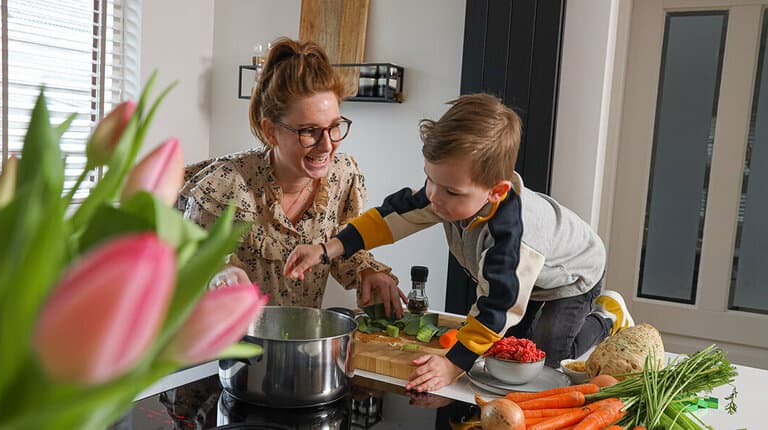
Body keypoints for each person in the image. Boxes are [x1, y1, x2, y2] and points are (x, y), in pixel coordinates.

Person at [283, 93, 634, 392]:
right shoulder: (445, 195)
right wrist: (326, 249)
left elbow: (498, 306)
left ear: (495, 192)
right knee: (506, 351)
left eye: (450, 190)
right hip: (526, 280)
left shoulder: (512, 236)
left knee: (547, 357)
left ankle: (605, 318)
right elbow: (390, 218)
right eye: (429, 179)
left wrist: (453, 366)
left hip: (573, 275)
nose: (433, 196)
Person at [178, 37, 405, 316]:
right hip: (227, 348)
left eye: (334, 127)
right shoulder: (226, 186)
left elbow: (341, 245)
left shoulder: (342, 177)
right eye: (309, 131)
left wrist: (368, 272)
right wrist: (218, 275)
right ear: (271, 131)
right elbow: (189, 266)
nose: (327, 145)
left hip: (302, 344)